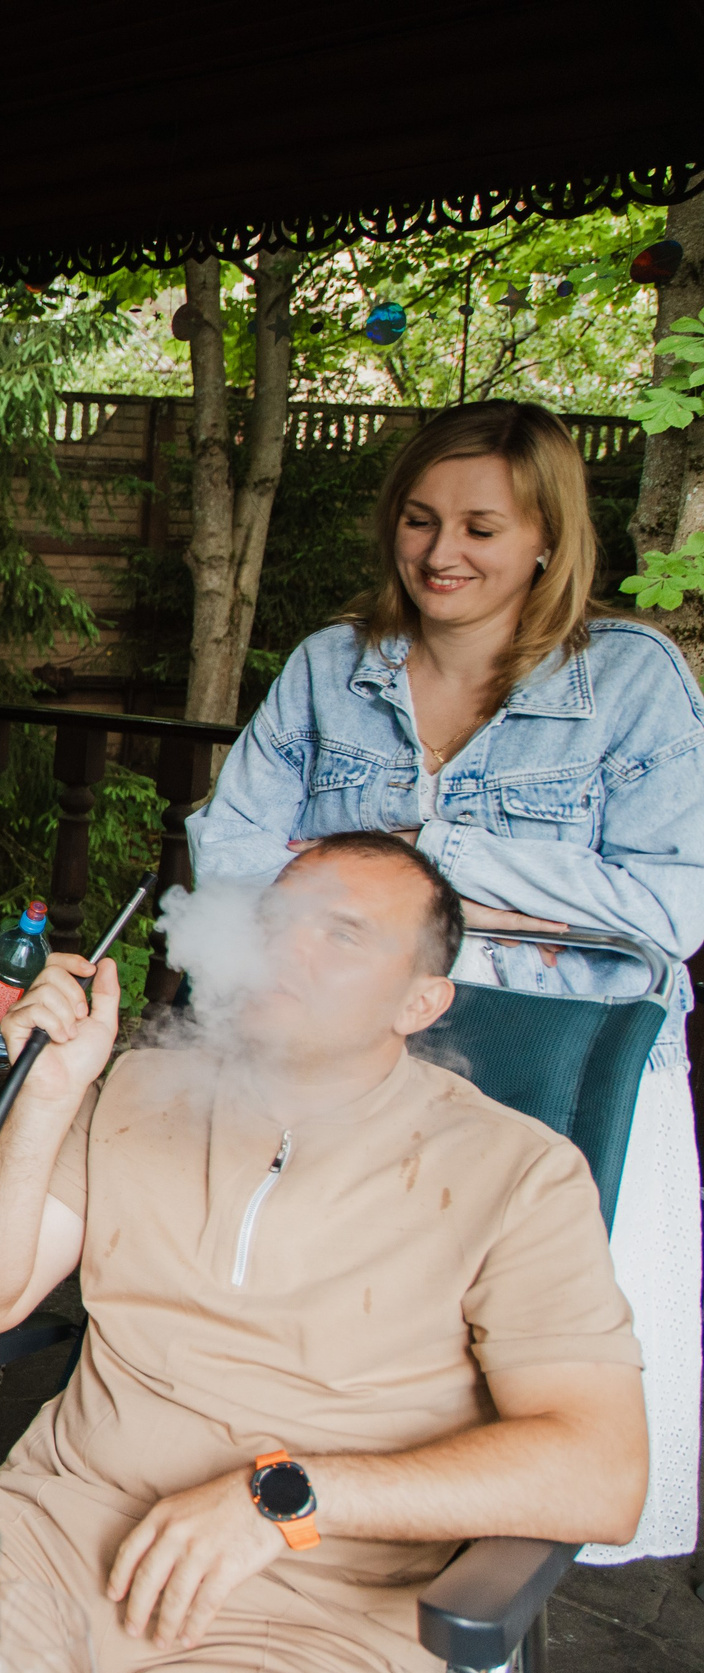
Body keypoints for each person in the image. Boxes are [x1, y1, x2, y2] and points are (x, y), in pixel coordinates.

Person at [0, 835, 647, 1673]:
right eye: (276, 918)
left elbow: (603, 1471)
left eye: (342, 934)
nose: (286, 946)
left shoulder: (518, 1172)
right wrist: (46, 1099)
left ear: (420, 1001)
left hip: (313, 1611)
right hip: (47, 1533)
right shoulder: (137, 1088)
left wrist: (284, 1498)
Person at [188, 399, 704, 1565]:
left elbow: (674, 905)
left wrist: (426, 862)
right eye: (420, 520)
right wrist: (529, 900)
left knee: (514, 1379)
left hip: (560, 1078)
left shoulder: (632, 681)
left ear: (546, 538)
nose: (439, 554)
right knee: (314, 1362)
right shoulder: (331, 667)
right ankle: (299, 1535)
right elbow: (229, 853)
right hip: (345, 1066)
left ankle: (472, 1599)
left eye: (480, 527)